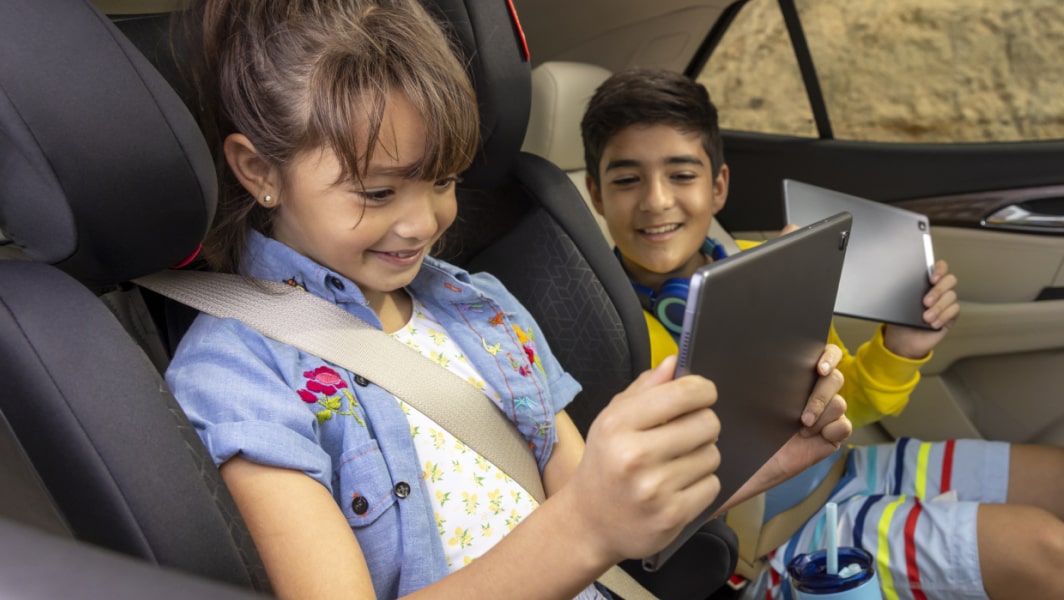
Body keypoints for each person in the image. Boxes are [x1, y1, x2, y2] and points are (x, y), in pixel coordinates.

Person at [163, 3, 853, 599]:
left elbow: (620, 524)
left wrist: (758, 456)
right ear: (259, 171)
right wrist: (585, 522)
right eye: (377, 192)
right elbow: (587, 523)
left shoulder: (479, 307)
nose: (422, 223)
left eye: (443, 180)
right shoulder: (241, 375)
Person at [579, 66, 1064, 600]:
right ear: (596, 195)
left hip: (845, 465)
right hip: (774, 538)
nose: (655, 200)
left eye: (681, 174)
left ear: (718, 186)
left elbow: (841, 405)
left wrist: (900, 349)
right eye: (627, 179)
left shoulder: (756, 266)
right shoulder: (608, 331)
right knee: (1044, 551)